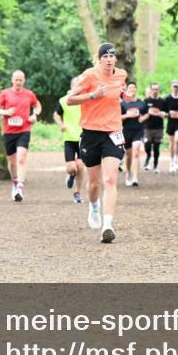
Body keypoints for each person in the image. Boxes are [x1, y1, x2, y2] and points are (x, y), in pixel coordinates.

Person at [66, 43, 128, 244]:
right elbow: (70, 100)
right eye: (105, 56)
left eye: (112, 56)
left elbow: (120, 93)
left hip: (113, 132)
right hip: (91, 133)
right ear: (99, 59)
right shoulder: (89, 76)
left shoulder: (121, 75)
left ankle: (107, 225)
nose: (109, 59)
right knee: (94, 183)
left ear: (115, 59)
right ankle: (93, 206)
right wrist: (93, 95)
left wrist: (123, 95)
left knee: (110, 180)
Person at [0, 70, 41, 202]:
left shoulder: (29, 94)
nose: (18, 82)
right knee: (11, 161)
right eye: (16, 79)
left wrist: (34, 115)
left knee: (21, 158)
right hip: (9, 132)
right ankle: (14, 182)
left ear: (24, 80)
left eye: (21, 80)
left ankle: (20, 187)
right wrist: (6, 111)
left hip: (24, 130)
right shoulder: (5, 93)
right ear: (12, 80)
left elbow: (37, 105)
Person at [54, 76, 86, 204]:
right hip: (69, 138)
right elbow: (56, 114)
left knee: (81, 166)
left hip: (83, 138)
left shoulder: (85, 100)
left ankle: (77, 192)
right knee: (72, 168)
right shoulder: (63, 101)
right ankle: (71, 174)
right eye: (76, 85)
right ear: (72, 87)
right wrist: (61, 125)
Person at [120, 82, 147, 187]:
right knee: (128, 154)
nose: (132, 89)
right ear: (127, 90)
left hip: (138, 130)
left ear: (136, 89)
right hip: (126, 131)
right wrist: (127, 115)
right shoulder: (123, 104)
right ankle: (128, 173)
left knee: (136, 152)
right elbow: (118, 117)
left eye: (134, 88)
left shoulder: (141, 103)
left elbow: (146, 114)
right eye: (130, 88)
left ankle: (135, 178)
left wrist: (143, 118)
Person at [141, 82, 167, 173]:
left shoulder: (162, 101)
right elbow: (142, 115)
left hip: (159, 128)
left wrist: (161, 113)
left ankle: (156, 165)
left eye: (157, 89)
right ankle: (148, 156)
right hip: (148, 128)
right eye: (153, 89)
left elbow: (166, 114)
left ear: (159, 90)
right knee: (147, 145)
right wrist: (149, 113)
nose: (155, 91)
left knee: (156, 147)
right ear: (151, 90)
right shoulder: (146, 101)